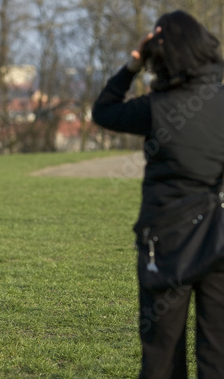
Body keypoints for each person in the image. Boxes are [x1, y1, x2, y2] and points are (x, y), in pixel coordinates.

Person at [92, 10, 224, 378]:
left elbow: (103, 111)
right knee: (218, 355)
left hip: (166, 244)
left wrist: (133, 64)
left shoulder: (155, 108)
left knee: (162, 355)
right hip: (220, 238)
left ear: (158, 55)